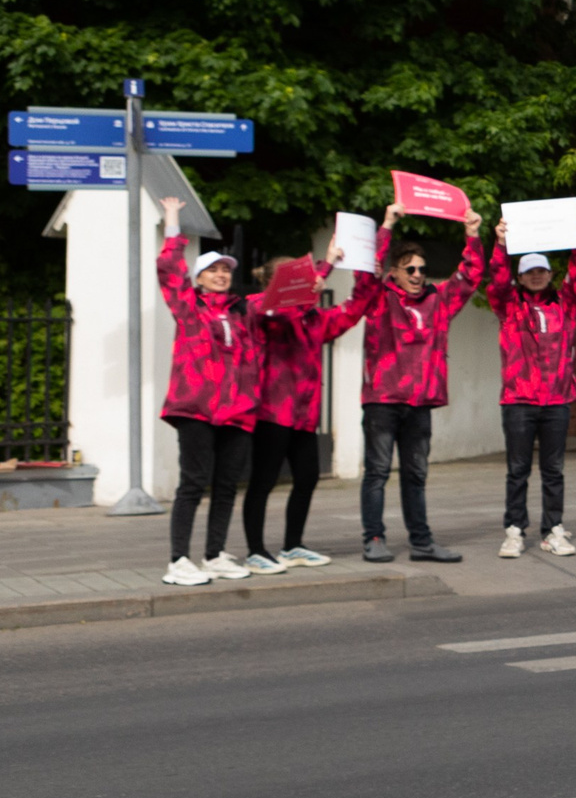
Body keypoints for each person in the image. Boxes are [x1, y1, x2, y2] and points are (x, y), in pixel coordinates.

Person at [240, 241, 381, 572]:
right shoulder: (258, 308)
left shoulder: (313, 319)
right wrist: (325, 267)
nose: (308, 285)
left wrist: (368, 276)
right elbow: (275, 309)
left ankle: (293, 546)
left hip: (304, 416)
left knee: (307, 477)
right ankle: (256, 551)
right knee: (263, 481)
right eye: (299, 280)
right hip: (272, 413)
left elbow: (353, 309)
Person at [360, 202, 484, 563]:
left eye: (421, 269)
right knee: (377, 472)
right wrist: (387, 225)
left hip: (420, 402)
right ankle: (374, 538)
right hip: (383, 400)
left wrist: (473, 233)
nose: (417, 275)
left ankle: (422, 542)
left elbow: (469, 277)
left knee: (416, 475)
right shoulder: (378, 298)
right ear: (394, 273)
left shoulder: (437, 300)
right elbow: (366, 275)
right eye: (409, 269)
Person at [153, 195, 260, 587]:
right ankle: (178, 560)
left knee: (227, 485)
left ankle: (214, 554)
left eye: (225, 270)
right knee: (193, 484)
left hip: (237, 411)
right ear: (198, 278)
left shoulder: (242, 312)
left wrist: (325, 267)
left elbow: (286, 298)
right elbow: (169, 268)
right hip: (196, 408)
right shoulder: (188, 307)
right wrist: (172, 220)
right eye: (212, 270)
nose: (221, 274)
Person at [485, 218, 576, 559]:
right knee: (517, 470)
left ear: (550, 274)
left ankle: (552, 529)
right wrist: (501, 245)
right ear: (520, 276)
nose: (536, 276)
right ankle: (514, 530)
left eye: (541, 270)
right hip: (519, 400)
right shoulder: (509, 306)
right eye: (529, 271)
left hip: (557, 400)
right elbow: (497, 281)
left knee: (553, 470)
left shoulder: (566, 305)